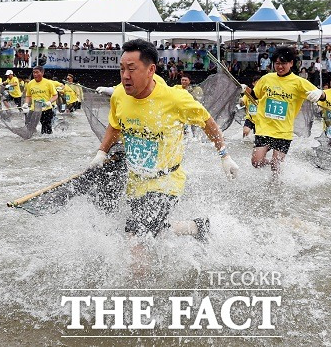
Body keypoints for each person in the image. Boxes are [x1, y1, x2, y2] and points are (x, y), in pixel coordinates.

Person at [88, 39, 238, 241]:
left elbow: (207, 122)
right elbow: (115, 125)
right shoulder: (119, 95)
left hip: (166, 181)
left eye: (131, 69)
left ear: (150, 70)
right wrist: (101, 153)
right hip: (136, 180)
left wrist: (224, 155)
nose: (125, 76)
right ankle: (195, 227)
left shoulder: (175, 98)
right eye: (122, 69)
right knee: (150, 230)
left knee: (136, 236)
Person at [246, 46, 325, 178]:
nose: (280, 67)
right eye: (277, 63)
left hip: (283, 131)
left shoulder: (299, 82)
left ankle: (276, 189)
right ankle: (271, 163)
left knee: (276, 167)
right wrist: (245, 89)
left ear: (291, 63)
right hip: (264, 128)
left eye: (283, 63)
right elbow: (254, 96)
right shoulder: (266, 78)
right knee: (256, 162)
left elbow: (323, 96)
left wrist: (319, 93)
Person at [23, 66, 58, 134]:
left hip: (46, 108)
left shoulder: (48, 83)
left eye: (37, 72)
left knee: (46, 130)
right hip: (34, 109)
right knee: (29, 126)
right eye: (33, 72)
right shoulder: (30, 83)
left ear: (42, 73)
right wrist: (26, 103)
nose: (35, 74)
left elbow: (55, 95)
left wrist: (49, 102)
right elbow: (28, 96)